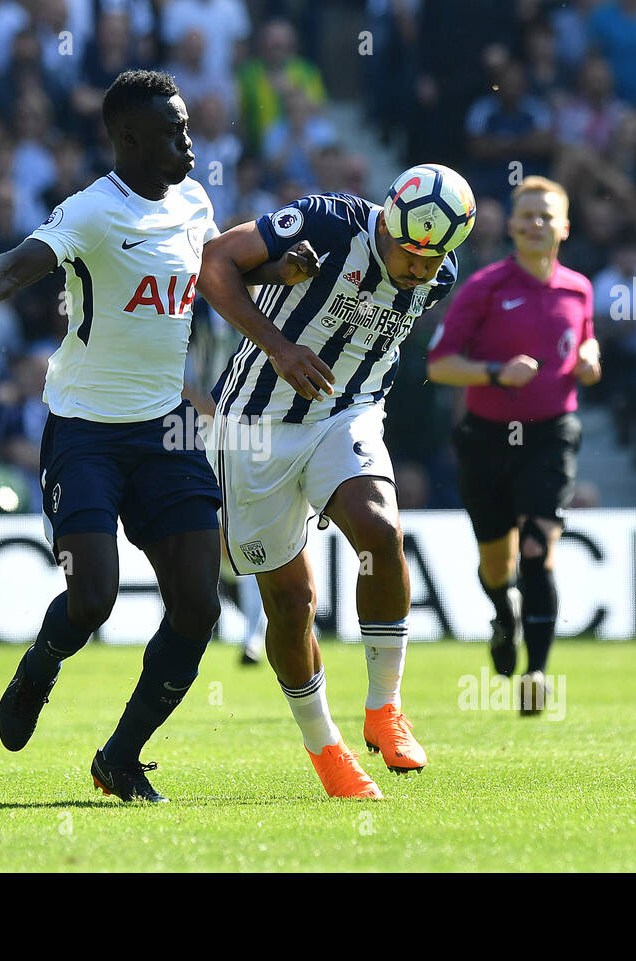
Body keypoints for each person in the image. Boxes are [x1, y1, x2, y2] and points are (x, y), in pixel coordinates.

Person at [0, 70, 303, 802]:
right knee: (93, 602)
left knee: (200, 606)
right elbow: (14, 266)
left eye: (186, 127)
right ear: (132, 139)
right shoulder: (91, 212)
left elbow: (214, 273)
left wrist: (279, 267)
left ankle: (120, 757)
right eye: (174, 132)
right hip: (85, 429)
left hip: (166, 424)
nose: (188, 141)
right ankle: (41, 666)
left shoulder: (194, 202)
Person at [197, 165, 471, 798]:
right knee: (292, 605)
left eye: (435, 260)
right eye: (409, 252)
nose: (420, 269)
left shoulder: (437, 272)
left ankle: (384, 707)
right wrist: (277, 346)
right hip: (256, 425)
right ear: (387, 222)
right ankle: (326, 749)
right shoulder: (327, 221)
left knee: (380, 530)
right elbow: (213, 262)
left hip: (344, 414)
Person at [426, 175, 600, 714]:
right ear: (511, 225)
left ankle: (538, 676)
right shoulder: (483, 288)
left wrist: (591, 356)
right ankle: (504, 615)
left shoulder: (578, 288)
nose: (534, 224)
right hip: (487, 441)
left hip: (552, 433)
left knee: (537, 549)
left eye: (546, 216)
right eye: (526, 215)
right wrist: (498, 373)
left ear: (564, 227)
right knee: (498, 566)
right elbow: (440, 365)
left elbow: (583, 336)